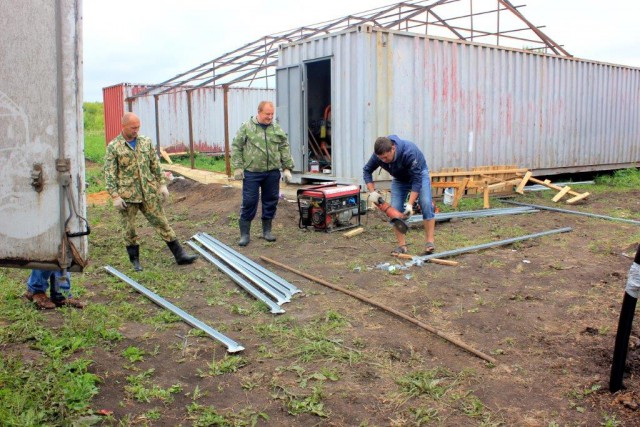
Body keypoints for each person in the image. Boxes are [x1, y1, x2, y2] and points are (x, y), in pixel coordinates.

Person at [104, 112, 197, 271]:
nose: (136, 130)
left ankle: (180, 255)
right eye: (133, 128)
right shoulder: (114, 147)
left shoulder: (145, 142)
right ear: (124, 126)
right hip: (128, 196)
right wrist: (115, 196)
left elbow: (155, 164)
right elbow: (109, 173)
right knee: (130, 229)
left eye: (138, 127)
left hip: (148, 192)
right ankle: (135, 261)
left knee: (162, 222)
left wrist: (162, 184)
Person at [231, 101, 294, 246]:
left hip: (272, 172)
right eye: (267, 114)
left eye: (272, 114)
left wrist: (287, 168)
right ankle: (245, 234)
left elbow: (284, 146)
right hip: (252, 173)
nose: (270, 117)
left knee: (271, 200)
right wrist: (238, 167)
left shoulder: (275, 128)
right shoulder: (247, 127)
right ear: (259, 112)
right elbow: (237, 146)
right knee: (249, 202)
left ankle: (267, 231)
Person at [363, 135, 436, 255]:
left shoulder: (409, 153)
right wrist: (372, 192)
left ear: (393, 148)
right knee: (395, 208)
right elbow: (367, 170)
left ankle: (429, 242)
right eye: (381, 158)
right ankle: (402, 246)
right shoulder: (379, 156)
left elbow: (417, 181)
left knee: (426, 203)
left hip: (418, 175)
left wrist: (410, 205)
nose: (383, 161)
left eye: (386, 157)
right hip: (399, 179)